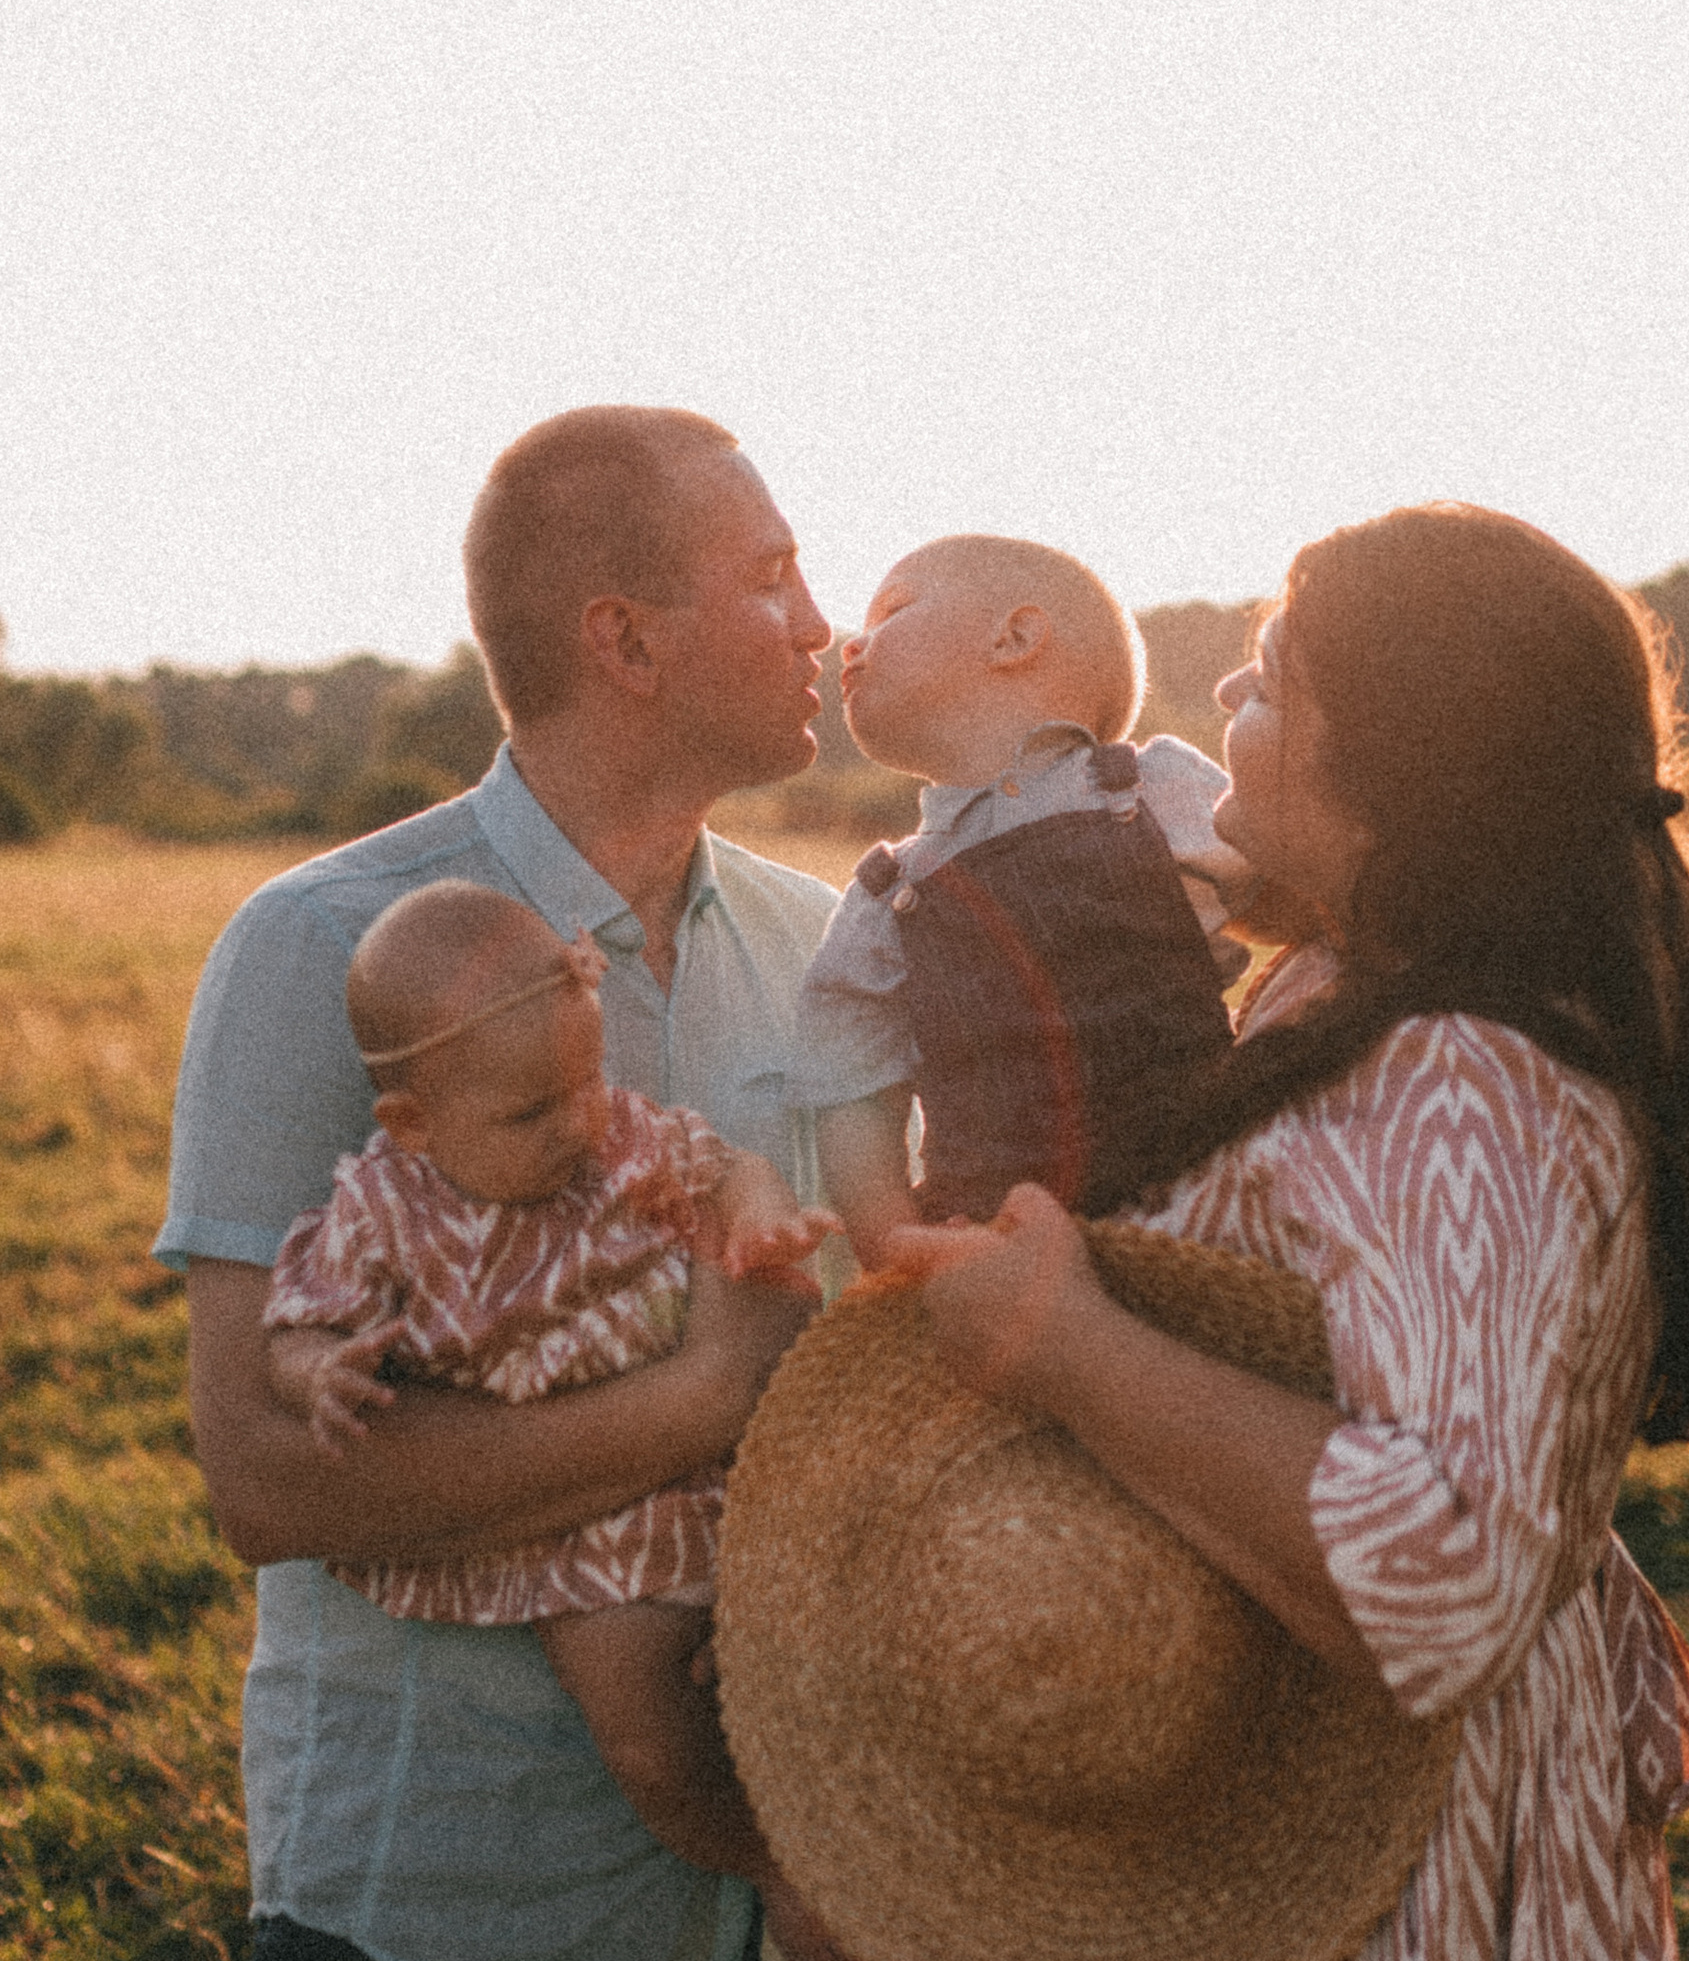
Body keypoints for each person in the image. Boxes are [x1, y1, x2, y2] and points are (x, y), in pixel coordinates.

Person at [890, 503, 1689, 1960]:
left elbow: (1444, 1571)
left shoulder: (1462, 1079)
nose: (1231, 708)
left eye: (1270, 680)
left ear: (1384, 755)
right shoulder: (1377, 986)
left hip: (1405, 1860)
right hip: (1363, 1804)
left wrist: (1068, 1352)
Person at [155, 406, 844, 1961]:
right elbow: (265, 1477)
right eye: (773, 577)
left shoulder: (835, 955)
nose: (821, 622)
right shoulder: (321, 947)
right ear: (626, 639)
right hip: (448, 1895)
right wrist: (699, 1398)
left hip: (791, 1898)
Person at [261, 883, 838, 1928]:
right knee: (646, 1728)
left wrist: (758, 1218)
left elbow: (726, 1164)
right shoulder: (383, 1209)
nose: (578, 1120)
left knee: (812, 1652)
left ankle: (875, 1824)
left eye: (587, 1078)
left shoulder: (612, 1136)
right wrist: (321, 1374)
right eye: (532, 1111)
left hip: (727, 1464)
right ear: (412, 1122)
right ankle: (775, 1863)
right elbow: (295, 1323)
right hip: (574, 1515)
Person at [789, 534, 1251, 1266]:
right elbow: (850, 1089)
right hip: (995, 1251)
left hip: (1204, 1216)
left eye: (891, 612)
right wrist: (888, 1235)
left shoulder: (1145, 792)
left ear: (1015, 637)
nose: (852, 644)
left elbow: (1304, 897)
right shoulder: (888, 894)